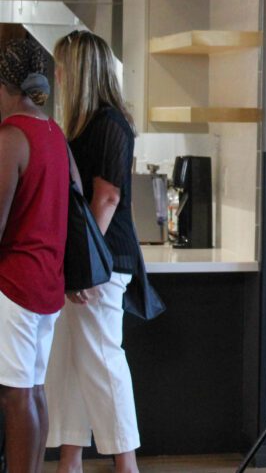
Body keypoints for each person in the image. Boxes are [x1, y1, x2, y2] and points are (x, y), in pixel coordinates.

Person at [46, 31, 144, 473]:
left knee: (102, 361)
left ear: (81, 71)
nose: (58, 76)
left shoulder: (108, 124)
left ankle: (127, 463)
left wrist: (85, 267)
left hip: (102, 262)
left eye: (63, 67)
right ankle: (69, 459)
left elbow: (106, 197)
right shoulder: (90, 124)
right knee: (71, 362)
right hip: (90, 261)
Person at [0, 39, 70, 473]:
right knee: (35, 388)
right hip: (47, 282)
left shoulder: (11, 137)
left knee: (15, 394)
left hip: (15, 284)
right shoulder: (52, 132)